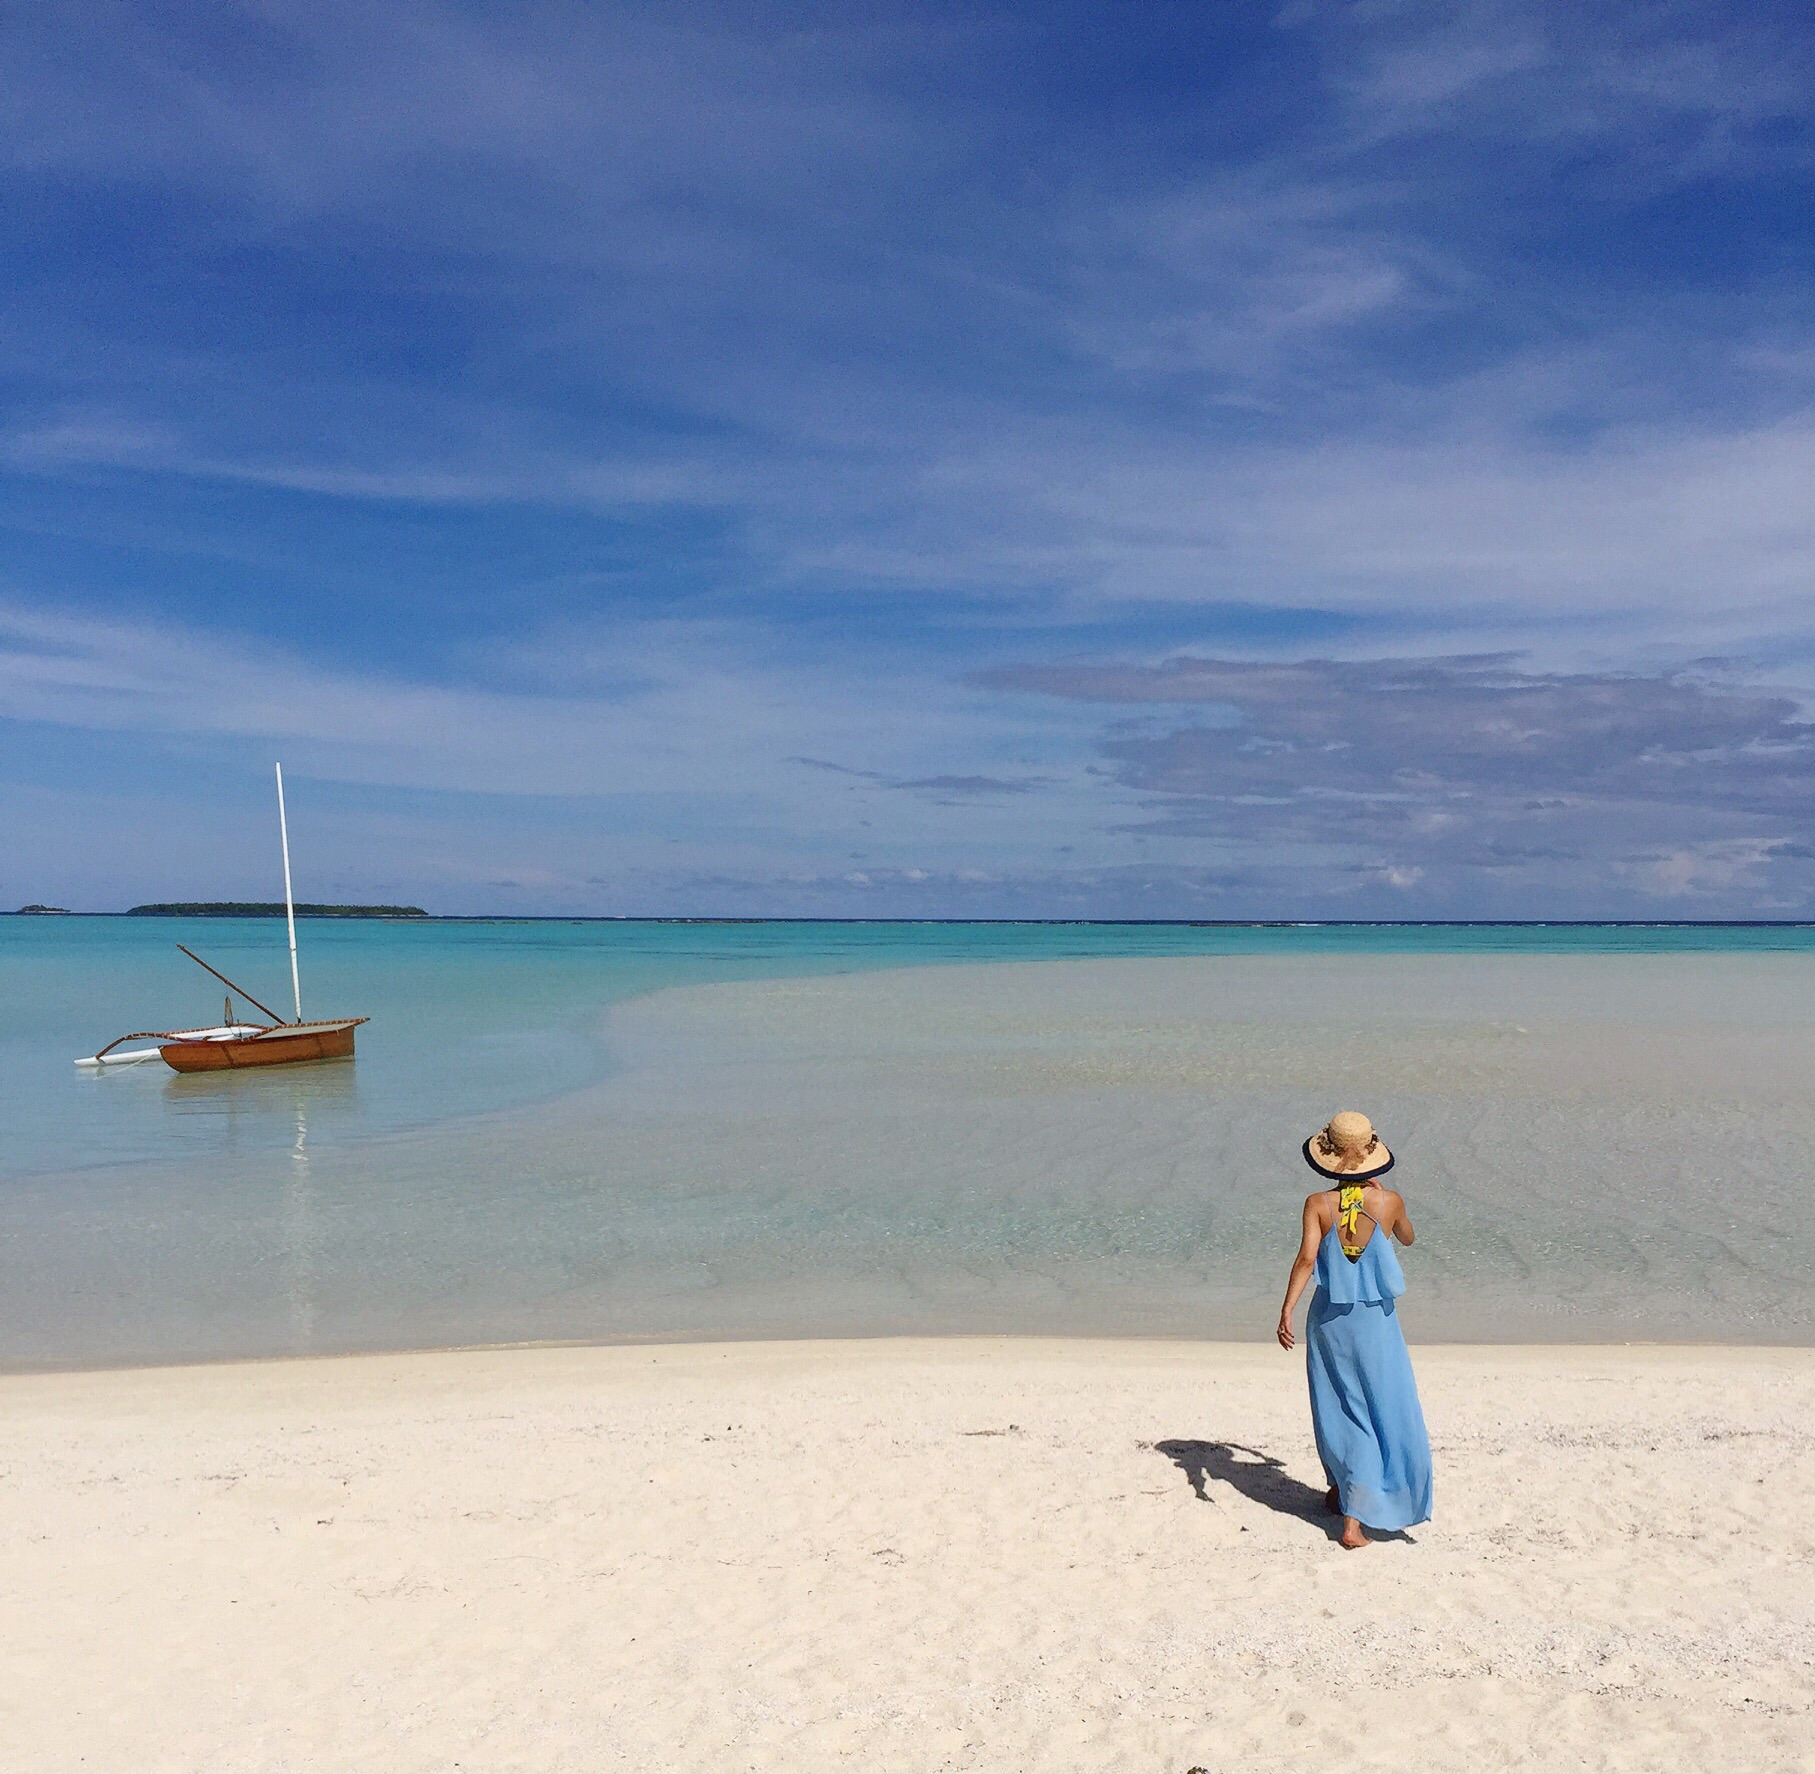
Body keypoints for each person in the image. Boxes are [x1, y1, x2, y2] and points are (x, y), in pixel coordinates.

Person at [1276, 1111, 1432, 1549]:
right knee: (1381, 1404)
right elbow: (1408, 1238)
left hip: (1329, 1321)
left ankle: (1341, 1487)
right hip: (1375, 1324)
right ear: (1372, 1157)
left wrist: (1287, 1309)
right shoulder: (1390, 1201)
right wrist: (1386, 1203)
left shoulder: (1317, 1204)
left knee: (1338, 1405)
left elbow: (1306, 1261)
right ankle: (1353, 1521)